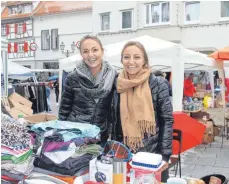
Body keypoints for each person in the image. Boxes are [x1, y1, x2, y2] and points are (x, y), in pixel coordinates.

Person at [111, 41, 173, 182]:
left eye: (137, 57)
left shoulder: (158, 83)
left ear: (144, 60)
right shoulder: (116, 84)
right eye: (127, 57)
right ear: (122, 60)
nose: (131, 61)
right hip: (122, 153)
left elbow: (166, 120)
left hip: (151, 154)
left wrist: (164, 156)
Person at [58, 35, 116, 146]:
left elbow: (114, 110)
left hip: (100, 135)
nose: (90, 55)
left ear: (102, 51)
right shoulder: (73, 77)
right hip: (76, 134)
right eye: (85, 51)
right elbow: (64, 109)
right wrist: (62, 134)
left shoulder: (113, 77)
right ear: (81, 54)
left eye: (95, 50)